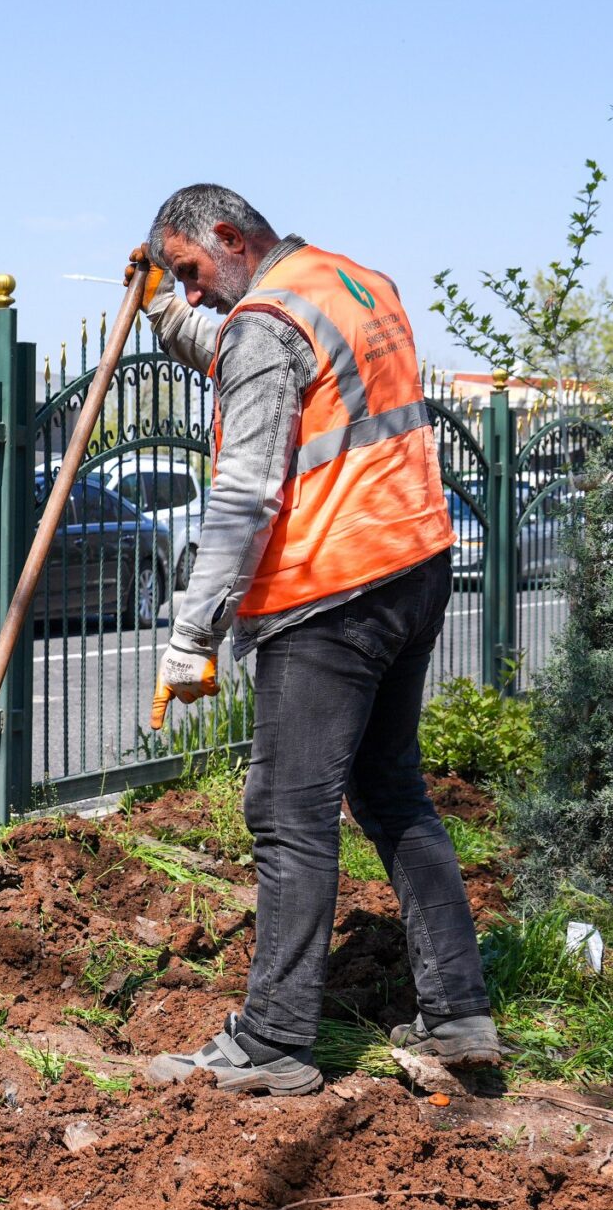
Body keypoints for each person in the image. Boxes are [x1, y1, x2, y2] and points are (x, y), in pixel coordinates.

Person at [132, 185, 500, 1096]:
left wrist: (192, 633)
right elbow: (250, 351)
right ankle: (459, 1014)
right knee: (392, 792)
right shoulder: (351, 283)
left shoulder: (266, 319)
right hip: (413, 564)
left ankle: (274, 1041)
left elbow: (247, 488)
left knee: (288, 814)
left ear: (226, 235)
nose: (197, 290)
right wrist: (165, 316)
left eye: (191, 271)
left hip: (327, 593)